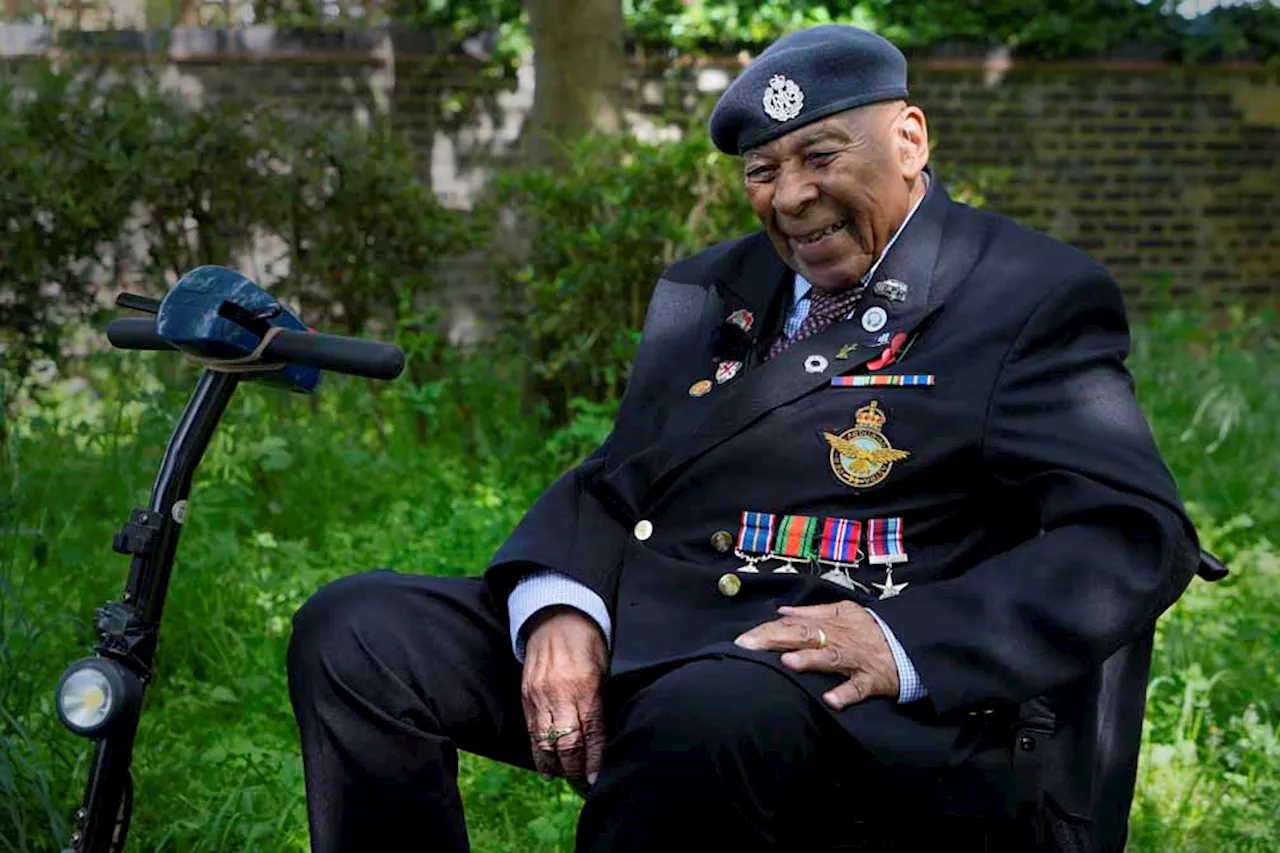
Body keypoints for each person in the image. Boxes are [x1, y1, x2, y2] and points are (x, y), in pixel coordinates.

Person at [286, 24, 1203, 852]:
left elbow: (1131, 533)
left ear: (910, 139)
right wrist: (561, 603)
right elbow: (626, 471)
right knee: (358, 630)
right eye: (762, 171)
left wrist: (901, 638)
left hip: (852, 702)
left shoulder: (1024, 292)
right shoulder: (710, 288)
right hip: (665, 637)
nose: (793, 197)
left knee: (702, 713)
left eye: (819, 155)